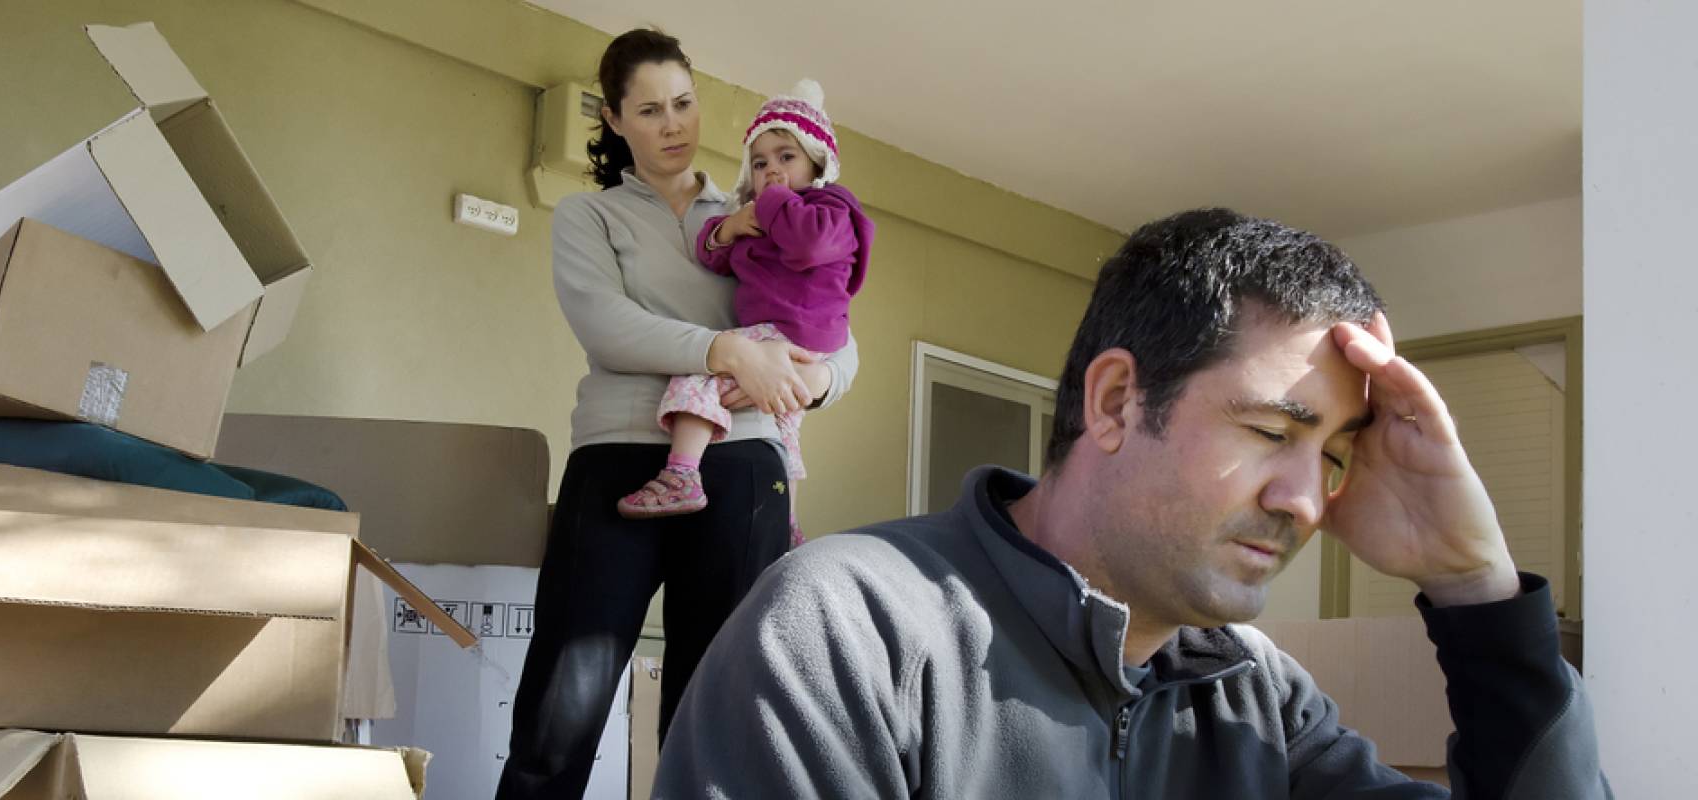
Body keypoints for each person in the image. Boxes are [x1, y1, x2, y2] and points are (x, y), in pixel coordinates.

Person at [654, 208, 1607, 798]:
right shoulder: (847, 631)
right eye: (1276, 434)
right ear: (1116, 401)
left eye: (1338, 456)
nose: (1307, 500)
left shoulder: (1257, 700)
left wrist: (1474, 588)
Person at [495, 29, 858, 799]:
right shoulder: (588, 218)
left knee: (713, 715)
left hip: (743, 467)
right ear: (616, 120)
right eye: (651, 109)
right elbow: (607, 325)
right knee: (563, 706)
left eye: (685, 103)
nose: (674, 124)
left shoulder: (763, 203)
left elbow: (836, 332)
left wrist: (817, 379)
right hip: (621, 457)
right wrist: (728, 351)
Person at [617, 79, 874, 552]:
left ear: (817, 161)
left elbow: (812, 243)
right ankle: (791, 523)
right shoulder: (765, 217)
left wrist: (772, 200)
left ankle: (681, 473)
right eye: (760, 163)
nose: (771, 170)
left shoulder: (830, 207)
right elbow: (717, 258)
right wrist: (729, 227)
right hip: (787, 333)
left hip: (797, 326)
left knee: (702, 373)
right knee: (784, 425)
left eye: (785, 157)